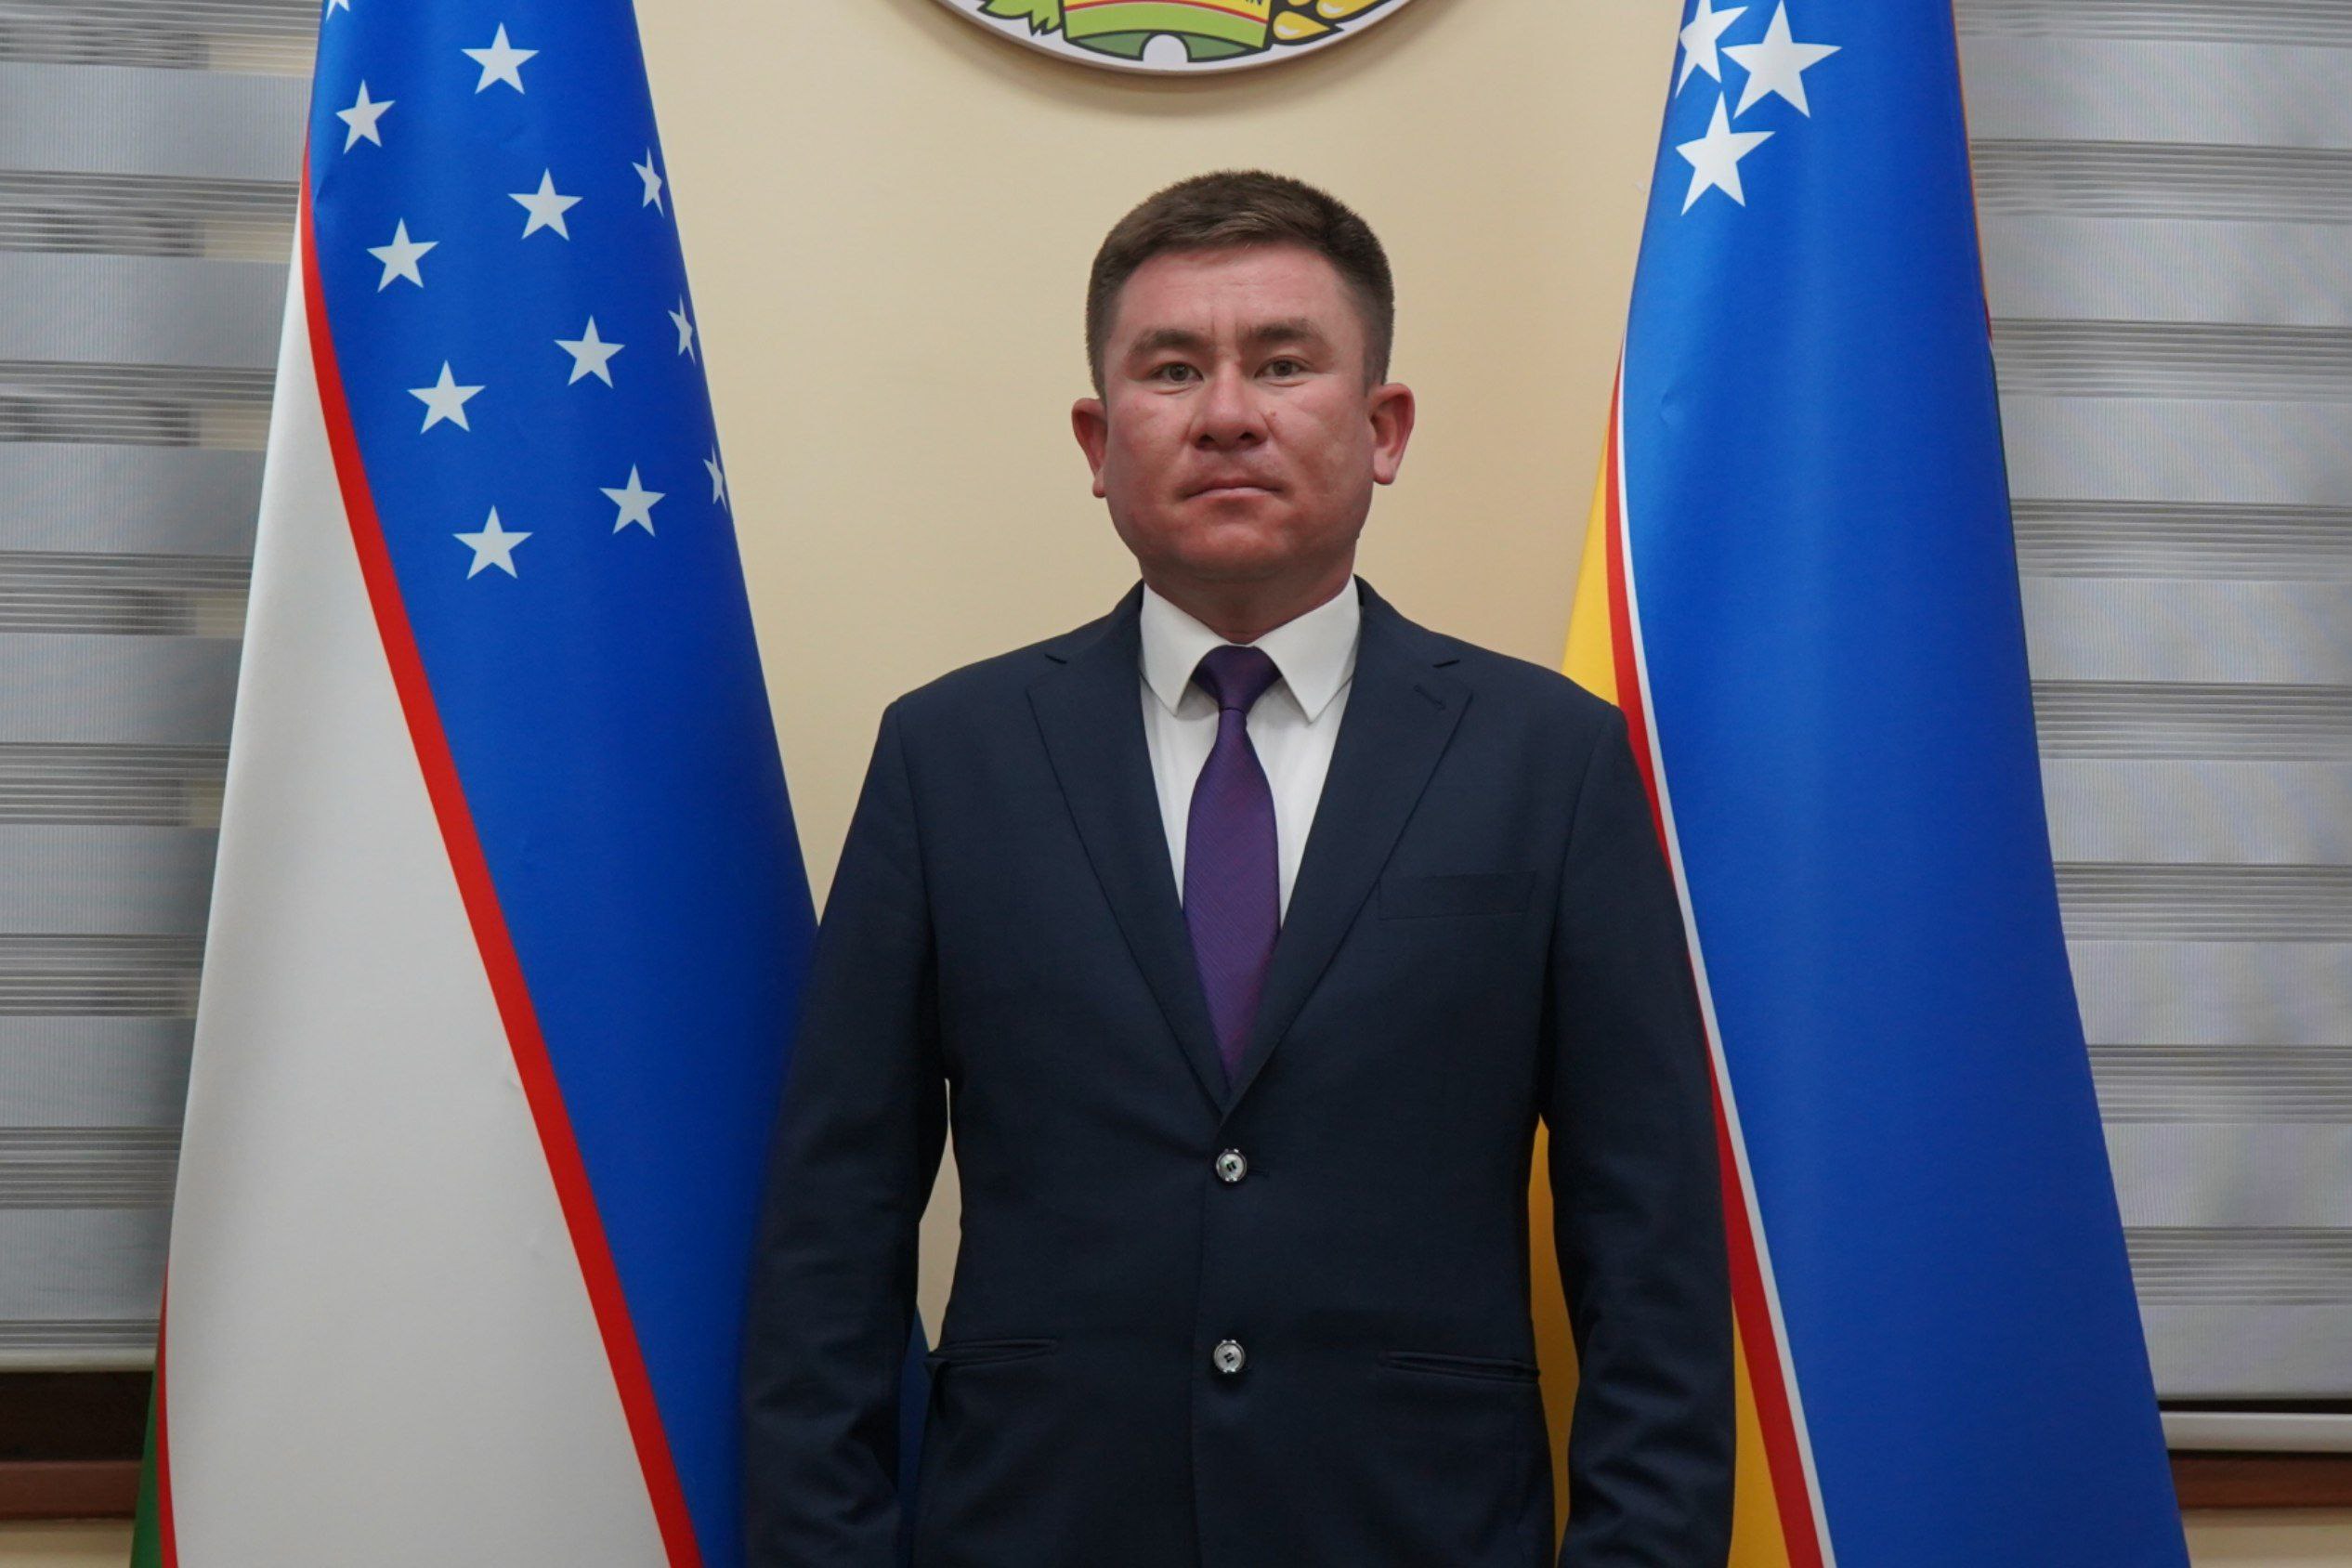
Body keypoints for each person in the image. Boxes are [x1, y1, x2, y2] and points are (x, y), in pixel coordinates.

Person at [742, 169, 1732, 1567]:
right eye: (1170, 370)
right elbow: (831, 1232)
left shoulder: (1549, 761)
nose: (1225, 414)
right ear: (1098, 442)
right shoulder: (949, 758)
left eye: (1282, 363)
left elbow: (1652, 1251)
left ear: (1383, 429)